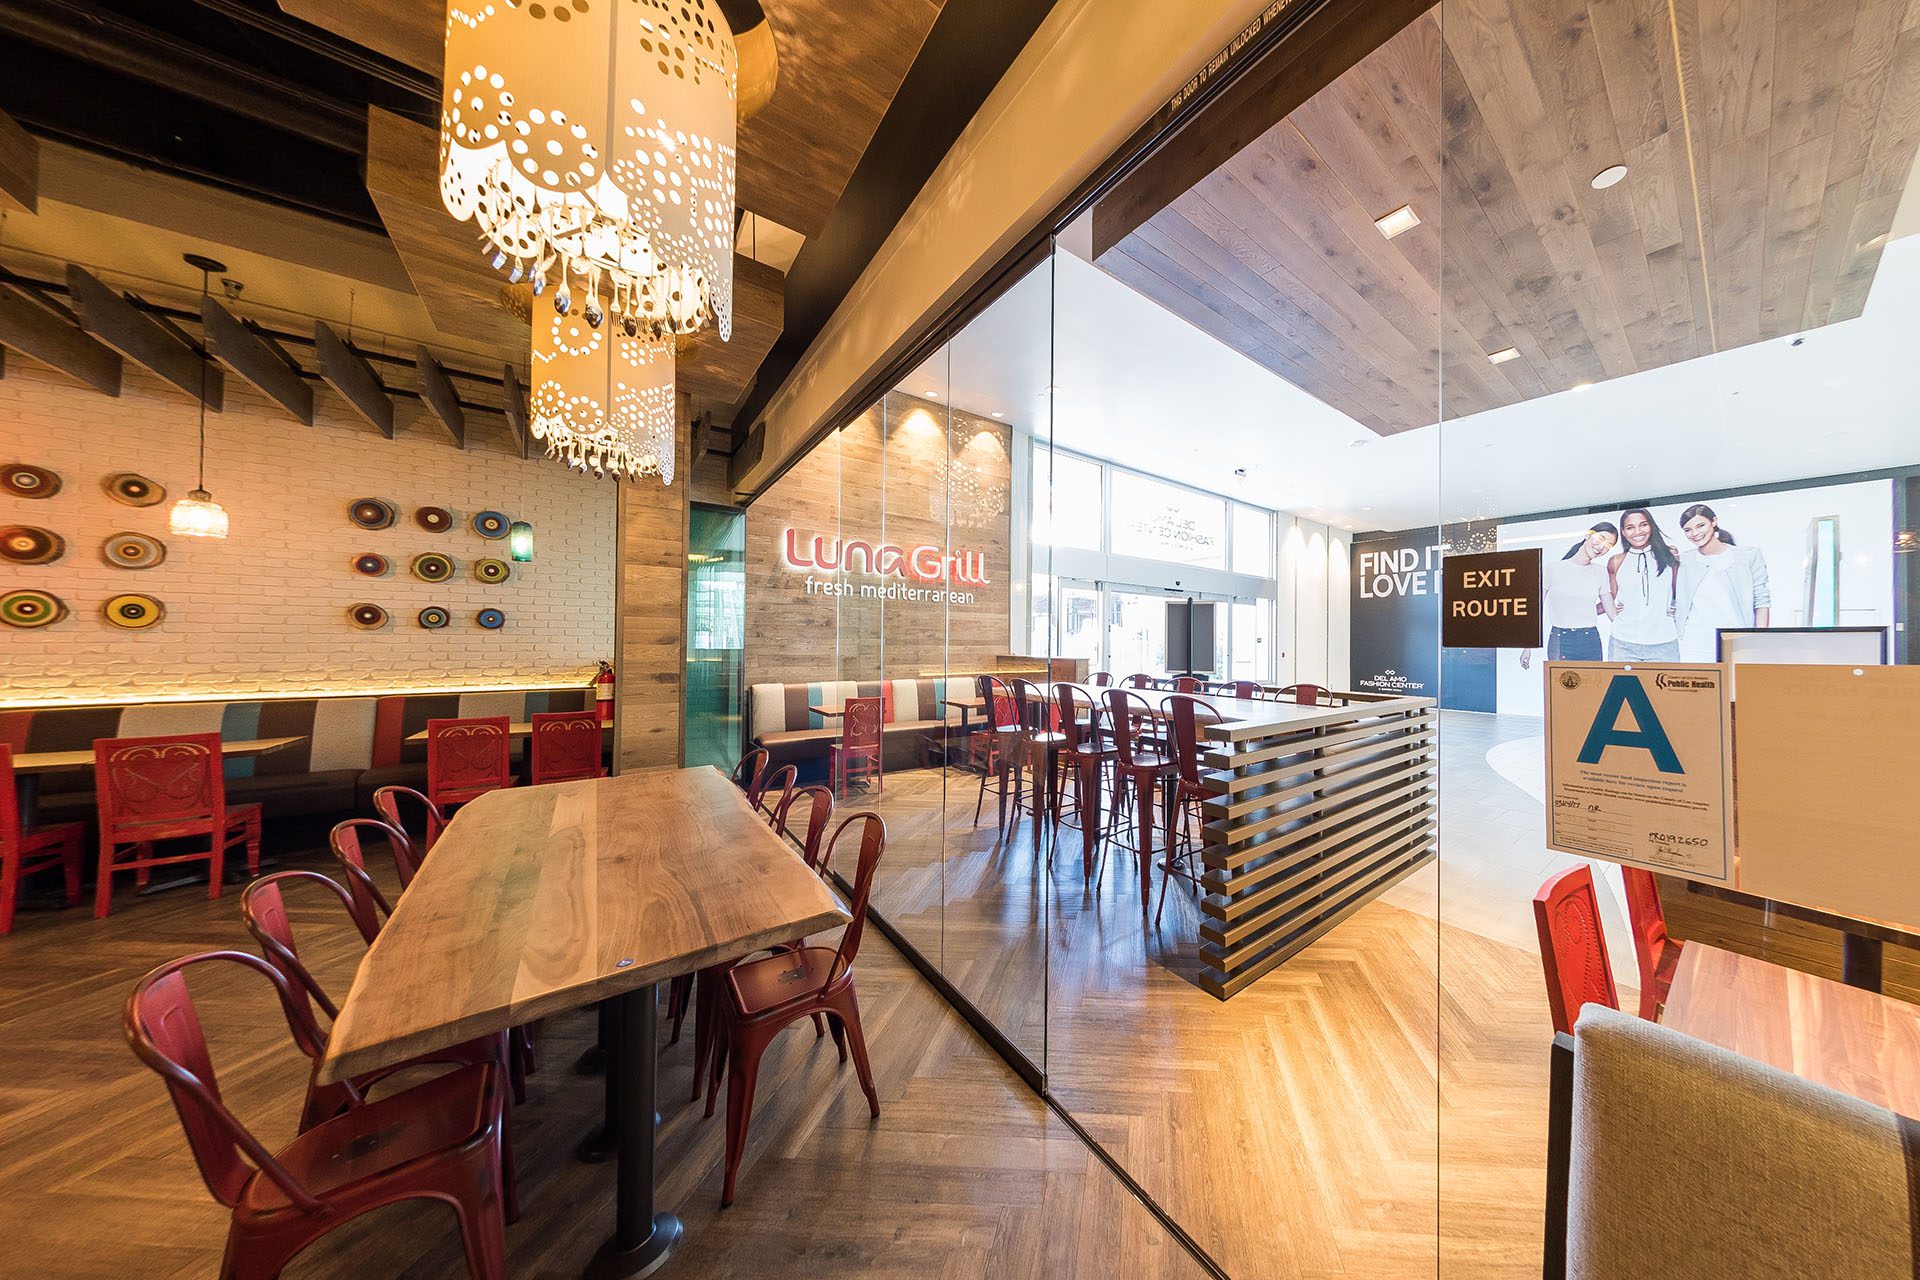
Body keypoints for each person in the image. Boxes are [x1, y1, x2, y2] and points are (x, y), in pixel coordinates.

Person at [1675, 502, 1771, 662]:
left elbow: (1761, 601)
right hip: (1695, 643)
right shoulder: (1684, 560)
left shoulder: (1748, 556)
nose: (1695, 533)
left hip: (1737, 641)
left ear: (1714, 522)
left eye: (1700, 526)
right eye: (1688, 530)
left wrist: (1758, 640)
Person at [1519, 523, 1618, 669]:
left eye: (1608, 545)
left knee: (1593, 689)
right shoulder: (1552, 569)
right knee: (1561, 689)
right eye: (1601, 539)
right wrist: (1527, 647)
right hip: (1560, 640)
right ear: (1588, 535)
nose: (1602, 547)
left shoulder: (1601, 572)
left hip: (1590, 639)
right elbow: (1535, 611)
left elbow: (1612, 613)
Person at [1606, 508, 1682, 661]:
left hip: (1664, 642)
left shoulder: (1670, 554)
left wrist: (1677, 608)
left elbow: (1678, 591)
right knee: (1623, 686)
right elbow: (1608, 599)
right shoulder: (1616, 561)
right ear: (1624, 532)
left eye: (1643, 525)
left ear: (1651, 526)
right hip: (1623, 643)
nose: (1637, 531)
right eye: (1630, 527)